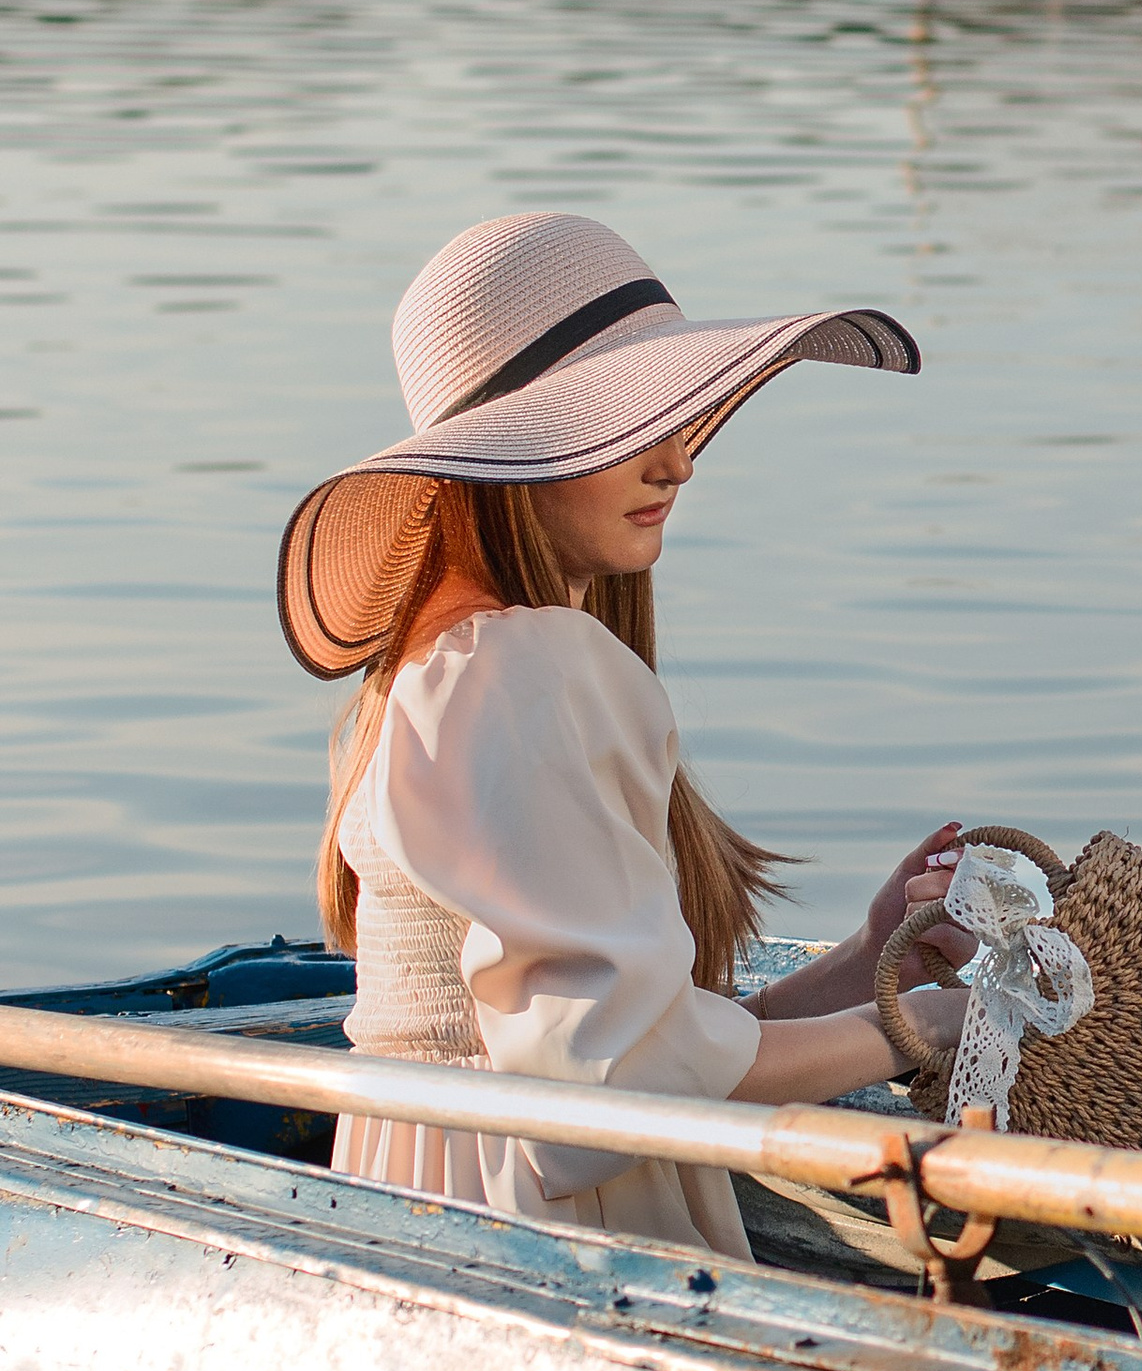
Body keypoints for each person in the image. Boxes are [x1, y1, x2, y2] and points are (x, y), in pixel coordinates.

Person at [278, 209, 972, 1260]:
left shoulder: (438, 668)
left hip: (421, 1197)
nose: (677, 464)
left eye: (675, 416)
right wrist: (911, 1029)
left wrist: (867, 962)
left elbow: (633, 1039)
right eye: (626, 420)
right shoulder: (525, 669)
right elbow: (617, 1082)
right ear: (514, 449)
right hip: (537, 1232)